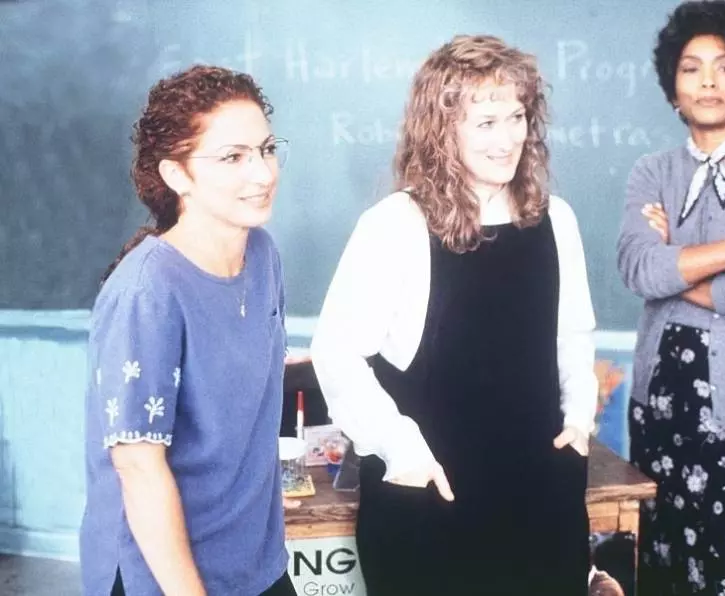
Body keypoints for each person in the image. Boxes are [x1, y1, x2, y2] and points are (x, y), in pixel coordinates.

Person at [311, 35, 598, 595]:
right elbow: (337, 354)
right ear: (443, 130)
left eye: (517, 117)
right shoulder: (394, 225)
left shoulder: (556, 220)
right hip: (430, 501)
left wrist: (578, 423)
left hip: (540, 502)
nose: (507, 139)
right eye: (486, 122)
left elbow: (573, 337)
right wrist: (402, 450)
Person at [79, 65, 297, 596]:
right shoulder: (147, 292)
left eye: (267, 150)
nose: (262, 173)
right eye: (233, 157)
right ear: (176, 175)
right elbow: (139, 467)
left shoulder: (262, 254)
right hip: (165, 573)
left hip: (253, 559)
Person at [617, 1, 725, 594]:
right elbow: (639, 268)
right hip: (659, 407)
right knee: (661, 566)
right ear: (673, 91)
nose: (708, 82)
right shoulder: (652, 171)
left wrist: (676, 264)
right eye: (692, 69)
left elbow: (662, 272)